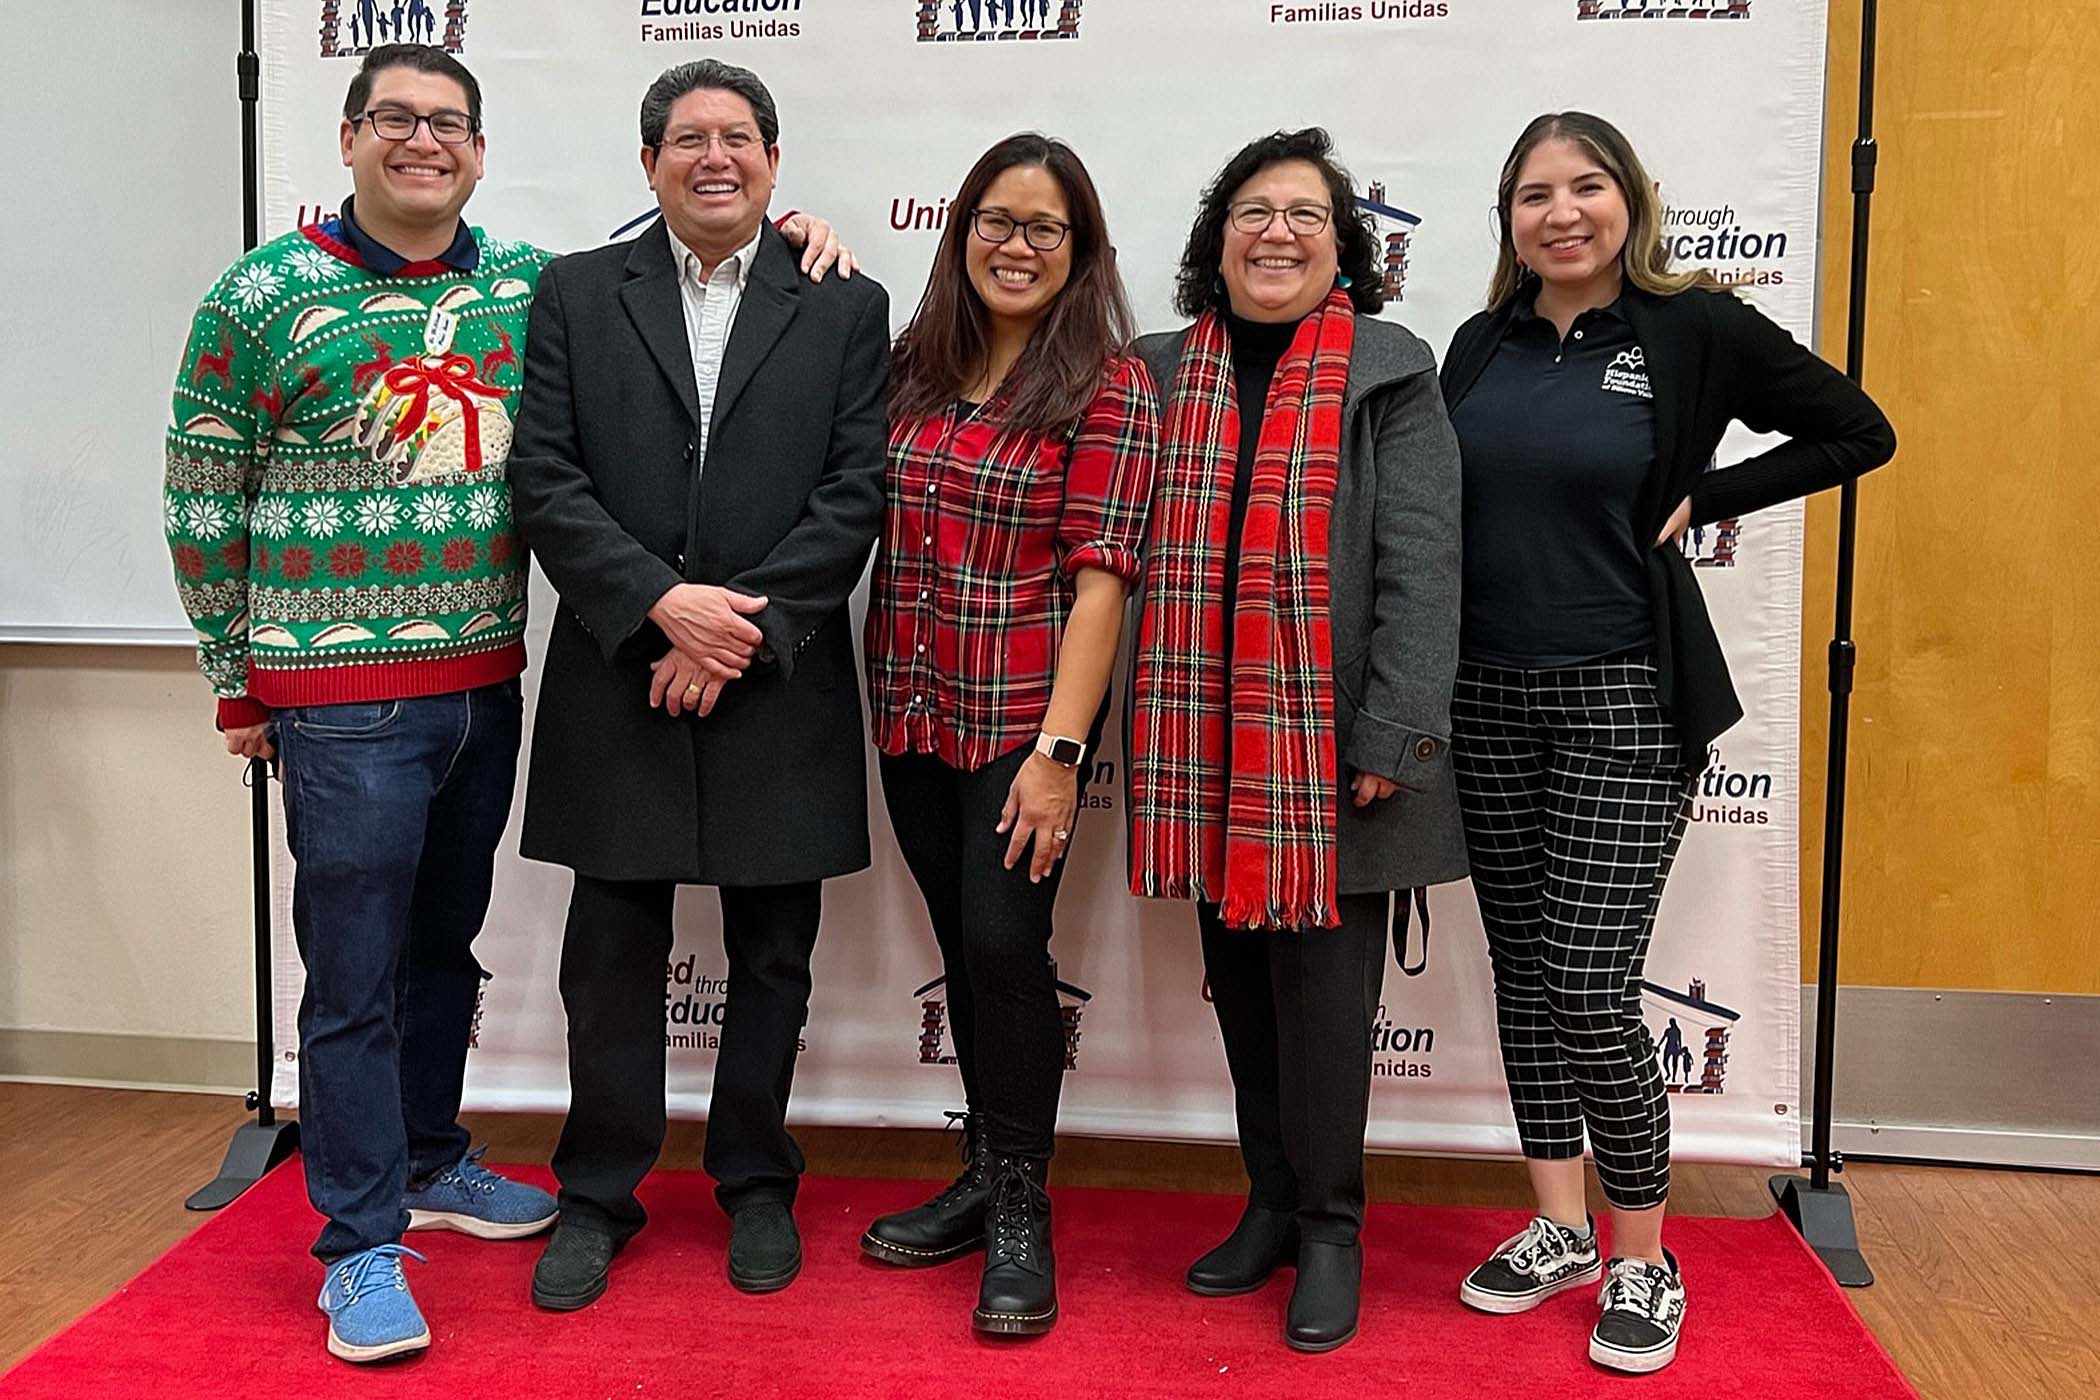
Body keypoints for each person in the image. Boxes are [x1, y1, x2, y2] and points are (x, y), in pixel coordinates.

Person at [1441, 111, 1895, 1375]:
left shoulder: (1693, 327)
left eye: (1586, 186)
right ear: (1509, 218)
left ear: (1630, 201)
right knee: (1527, 977)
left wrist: (1715, 494)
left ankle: (1646, 1255)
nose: (1562, 211)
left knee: (1590, 979)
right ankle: (1559, 1227)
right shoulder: (1478, 345)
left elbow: (1859, 429)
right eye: (1535, 192)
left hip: (1626, 697)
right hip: (1483, 697)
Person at [163, 44, 557, 1365]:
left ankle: (434, 1161)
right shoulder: (260, 296)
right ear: (347, 139)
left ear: (481, 151)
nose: (423, 141)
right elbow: (203, 499)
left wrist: (790, 231)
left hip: (481, 685)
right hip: (335, 708)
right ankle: (359, 1246)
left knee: (444, 951)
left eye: (448, 123)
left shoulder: (523, 287)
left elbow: (658, 310)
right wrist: (235, 679)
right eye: (396, 117)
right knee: (353, 980)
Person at [508, 59, 889, 1313]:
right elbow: (548, 480)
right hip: (621, 672)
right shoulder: (570, 294)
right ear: (649, 164)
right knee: (608, 953)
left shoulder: (845, 302)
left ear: (774, 162)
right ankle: (598, 1192)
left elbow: (855, 493)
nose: (713, 157)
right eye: (687, 139)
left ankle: (755, 1180)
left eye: (738, 137)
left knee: (774, 954)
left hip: (779, 682)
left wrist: (737, 632)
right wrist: (659, 608)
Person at [1127, 127, 1467, 1353]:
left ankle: (1332, 1226)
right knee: (1242, 997)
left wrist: (1394, 726)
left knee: (1324, 1006)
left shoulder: (1392, 365)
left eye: (1305, 216)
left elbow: (1422, 564)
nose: (1277, 233)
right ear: (1216, 242)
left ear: (1346, 247)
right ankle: (1269, 1200)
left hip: (1334, 759)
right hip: (1204, 749)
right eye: (1252, 212)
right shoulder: (1158, 368)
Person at [858, 134, 1159, 1337]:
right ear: (962, 228)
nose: (1016, 244)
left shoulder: (1111, 382)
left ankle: (1025, 1199)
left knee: (1003, 942)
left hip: (1023, 723)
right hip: (910, 706)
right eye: (996, 218)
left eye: (1045, 227)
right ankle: (984, 1169)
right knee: (962, 940)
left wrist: (1060, 753)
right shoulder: (910, 369)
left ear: (1080, 249)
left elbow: (1104, 582)